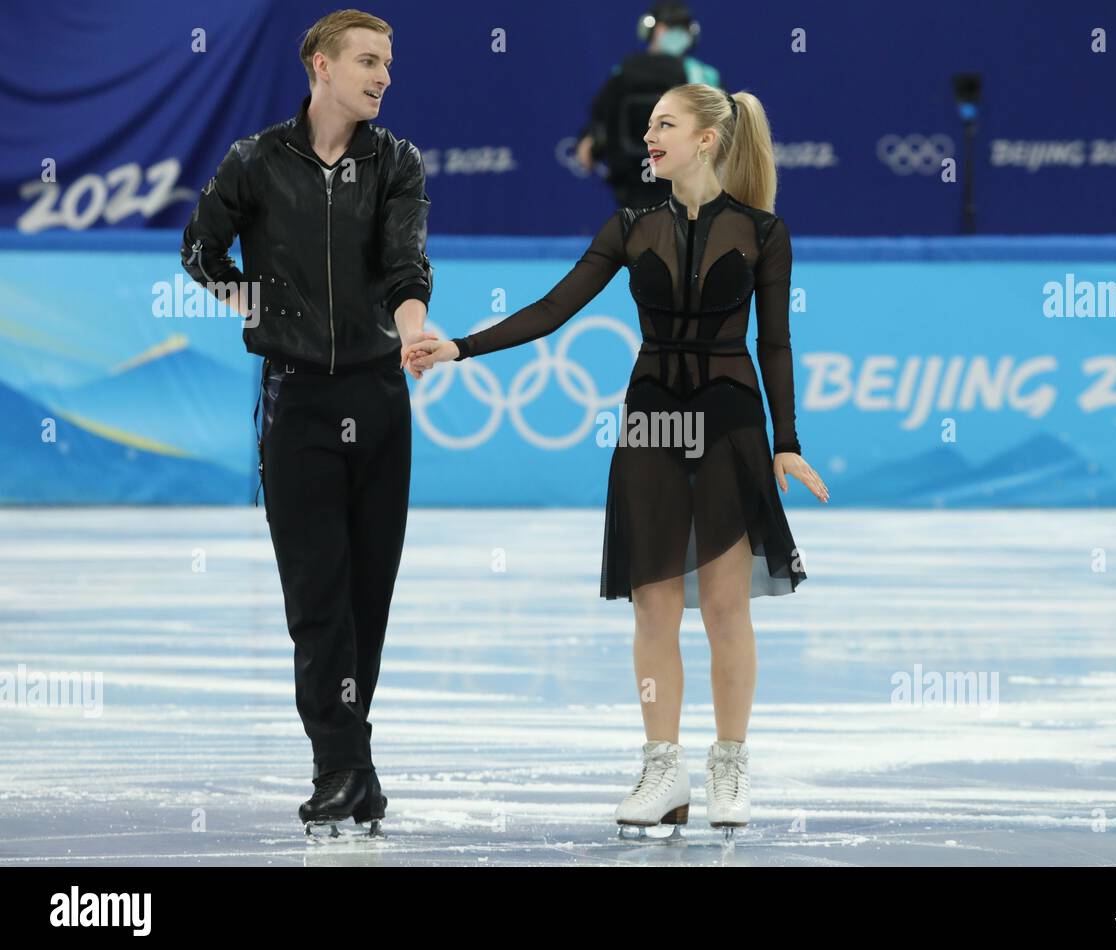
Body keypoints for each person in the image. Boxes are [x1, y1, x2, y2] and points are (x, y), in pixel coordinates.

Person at [403, 83, 829, 838]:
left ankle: (729, 762)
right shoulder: (631, 226)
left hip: (730, 426)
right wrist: (462, 345)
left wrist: (786, 440)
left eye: (664, 126)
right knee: (654, 606)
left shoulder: (764, 231)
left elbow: (774, 344)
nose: (649, 140)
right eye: (650, 128)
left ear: (706, 139)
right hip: (651, 428)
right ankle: (662, 767)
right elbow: (553, 308)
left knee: (726, 607)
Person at [179, 9, 433, 836]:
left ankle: (352, 763)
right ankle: (339, 768)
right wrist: (268, 310)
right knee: (316, 597)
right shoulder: (255, 161)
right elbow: (199, 252)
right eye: (368, 60)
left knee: (369, 595)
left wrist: (410, 333)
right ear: (320, 65)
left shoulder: (396, 161)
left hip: (378, 398)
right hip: (297, 406)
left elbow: (404, 264)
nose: (383, 76)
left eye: (388, 64)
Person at [575, 2, 724, 209]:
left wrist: (589, 140)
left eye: (679, 28)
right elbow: (601, 118)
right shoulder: (703, 76)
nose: (673, 34)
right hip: (648, 181)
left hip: (646, 186)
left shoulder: (624, 72)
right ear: (653, 30)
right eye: (667, 27)